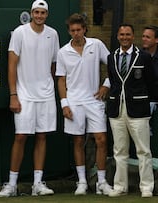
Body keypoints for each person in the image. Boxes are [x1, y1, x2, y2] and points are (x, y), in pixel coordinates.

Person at [0, 0, 59, 197]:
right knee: (21, 136)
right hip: (23, 95)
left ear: (46, 15)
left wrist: (47, 85)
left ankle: (37, 184)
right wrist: (13, 94)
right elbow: (12, 65)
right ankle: (12, 184)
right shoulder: (19, 33)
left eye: (43, 13)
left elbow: (53, 65)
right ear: (32, 13)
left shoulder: (53, 34)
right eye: (37, 12)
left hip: (46, 95)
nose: (39, 16)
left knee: (42, 136)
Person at [56, 13, 112, 196]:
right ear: (69, 31)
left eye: (78, 30)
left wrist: (106, 85)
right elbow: (61, 80)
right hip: (73, 101)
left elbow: (113, 66)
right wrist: (64, 104)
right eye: (72, 30)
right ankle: (81, 182)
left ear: (85, 29)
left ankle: (102, 182)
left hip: (94, 100)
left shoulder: (96, 45)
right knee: (78, 140)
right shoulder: (63, 52)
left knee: (101, 139)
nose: (76, 33)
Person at [107, 24, 155, 198]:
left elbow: (151, 82)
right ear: (118, 36)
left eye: (128, 34)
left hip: (138, 109)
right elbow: (113, 82)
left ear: (133, 36)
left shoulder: (143, 57)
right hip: (117, 110)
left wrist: (147, 101)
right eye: (122, 34)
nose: (125, 37)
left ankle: (146, 187)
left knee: (143, 150)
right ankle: (120, 186)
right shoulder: (111, 57)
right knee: (119, 150)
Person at [142, 25, 158, 134]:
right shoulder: (139, 56)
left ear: (156, 40)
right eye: (143, 36)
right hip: (142, 103)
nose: (144, 39)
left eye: (148, 37)